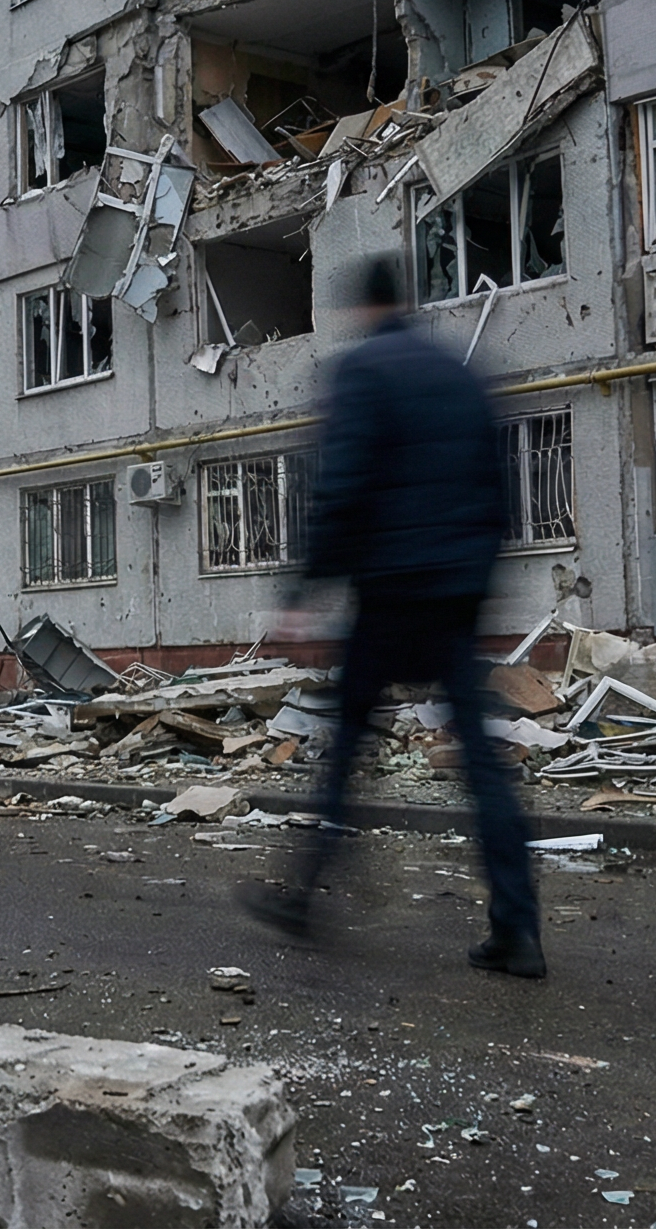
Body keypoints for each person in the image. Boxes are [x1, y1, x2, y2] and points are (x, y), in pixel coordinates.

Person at [240, 258, 545, 978]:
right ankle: (518, 929)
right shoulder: (463, 374)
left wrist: (303, 591)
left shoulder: (363, 374)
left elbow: (341, 486)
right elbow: (500, 493)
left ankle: (306, 893)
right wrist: (478, 583)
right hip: (456, 595)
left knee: (347, 744)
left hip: (389, 591)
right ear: (407, 301)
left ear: (360, 311)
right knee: (480, 761)